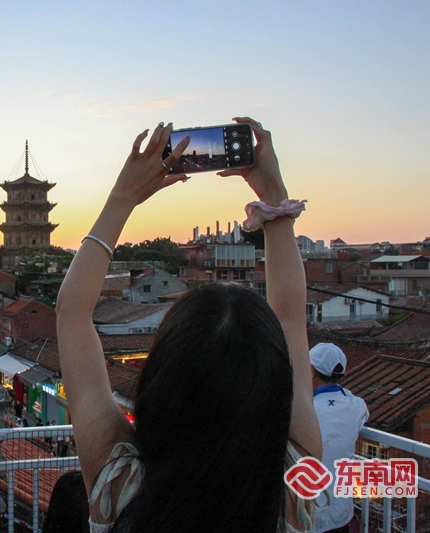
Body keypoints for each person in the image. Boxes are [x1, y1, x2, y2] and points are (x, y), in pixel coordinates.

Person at [56, 119, 322, 533]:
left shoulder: (122, 484)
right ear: (275, 386)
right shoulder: (292, 488)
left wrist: (123, 197)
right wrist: (274, 196)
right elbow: (289, 315)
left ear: (162, 380)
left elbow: (71, 312)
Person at [309, 343, 369, 533]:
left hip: (305, 513)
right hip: (340, 513)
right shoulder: (356, 405)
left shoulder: (304, 409)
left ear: (312, 372)